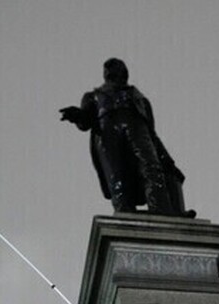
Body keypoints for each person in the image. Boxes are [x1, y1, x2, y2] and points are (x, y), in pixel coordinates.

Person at [59, 58, 193, 216]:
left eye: (115, 69)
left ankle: (161, 210)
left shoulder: (140, 99)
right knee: (117, 177)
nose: (111, 73)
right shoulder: (93, 96)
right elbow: (85, 122)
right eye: (108, 71)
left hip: (137, 128)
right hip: (107, 132)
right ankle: (125, 213)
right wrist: (77, 115)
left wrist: (165, 156)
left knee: (151, 166)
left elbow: (152, 133)